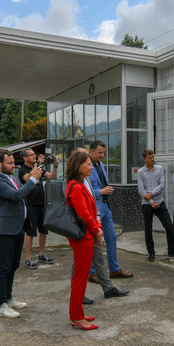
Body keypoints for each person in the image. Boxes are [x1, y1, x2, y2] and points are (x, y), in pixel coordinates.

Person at [0, 148, 42, 318]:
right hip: (4, 230)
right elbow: (17, 195)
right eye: (10, 163)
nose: (14, 166)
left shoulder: (9, 178)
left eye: (14, 162)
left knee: (13, 265)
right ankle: (0, 305)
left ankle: (8, 299)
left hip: (16, 228)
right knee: (4, 267)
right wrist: (32, 179)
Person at [73, 147, 127, 301]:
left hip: (97, 216)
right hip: (84, 225)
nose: (90, 166)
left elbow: (89, 200)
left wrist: (96, 223)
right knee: (78, 262)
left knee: (99, 254)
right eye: (87, 162)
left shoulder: (88, 175)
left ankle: (108, 287)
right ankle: (79, 295)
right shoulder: (73, 183)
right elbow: (81, 208)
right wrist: (95, 226)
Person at [63, 151, 104, 330]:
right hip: (83, 236)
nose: (90, 167)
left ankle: (77, 313)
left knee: (81, 276)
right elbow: (84, 215)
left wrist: (97, 228)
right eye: (87, 164)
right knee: (81, 277)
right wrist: (96, 231)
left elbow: (89, 211)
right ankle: (77, 317)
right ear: (78, 167)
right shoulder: (77, 187)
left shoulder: (78, 184)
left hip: (87, 234)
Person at [87, 139, 133, 282]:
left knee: (112, 237)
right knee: (95, 240)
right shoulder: (86, 166)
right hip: (95, 207)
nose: (102, 156)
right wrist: (101, 191)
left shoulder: (101, 165)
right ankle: (91, 273)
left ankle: (114, 270)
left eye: (103, 153)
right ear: (92, 151)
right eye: (100, 153)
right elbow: (84, 189)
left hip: (106, 206)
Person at [18, 149, 57, 269]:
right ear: (25, 158)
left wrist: (55, 166)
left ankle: (41, 254)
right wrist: (38, 165)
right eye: (31, 155)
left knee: (43, 230)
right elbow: (28, 178)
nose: (34, 156)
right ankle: (28, 258)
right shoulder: (22, 170)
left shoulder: (38, 167)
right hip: (30, 204)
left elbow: (52, 177)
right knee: (30, 232)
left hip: (41, 204)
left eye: (34, 154)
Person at [136, 149, 174, 262]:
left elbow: (162, 185)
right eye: (149, 158)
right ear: (145, 159)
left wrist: (152, 194)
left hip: (159, 201)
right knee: (148, 229)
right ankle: (151, 253)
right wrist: (150, 201)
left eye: (153, 157)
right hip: (147, 204)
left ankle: (172, 251)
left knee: (169, 226)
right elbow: (141, 189)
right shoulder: (140, 172)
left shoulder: (159, 169)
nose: (152, 159)